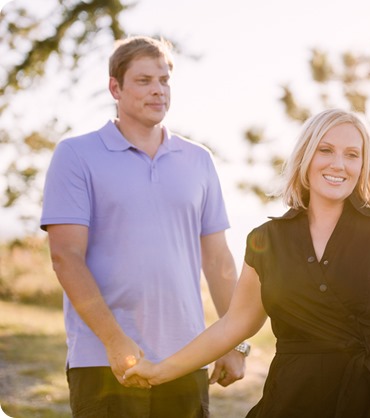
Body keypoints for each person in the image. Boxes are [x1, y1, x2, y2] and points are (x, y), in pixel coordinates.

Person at [125, 108, 370, 418]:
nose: (338, 164)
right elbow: (233, 326)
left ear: (364, 165)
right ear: (306, 157)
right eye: (326, 150)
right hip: (292, 402)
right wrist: (158, 371)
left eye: (352, 154)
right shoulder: (267, 241)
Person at [40, 35, 248, 418]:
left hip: (187, 358)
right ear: (114, 87)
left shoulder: (198, 160)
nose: (158, 91)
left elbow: (218, 260)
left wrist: (233, 343)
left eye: (164, 80)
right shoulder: (76, 155)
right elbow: (66, 257)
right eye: (144, 80)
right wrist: (115, 341)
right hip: (103, 361)